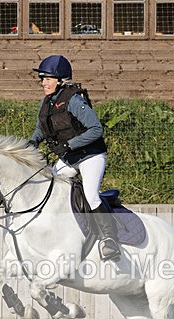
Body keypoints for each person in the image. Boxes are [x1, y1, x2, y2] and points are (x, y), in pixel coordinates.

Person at [28, 55, 121, 262]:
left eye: (48, 79)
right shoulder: (46, 102)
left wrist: (70, 144)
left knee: (90, 195)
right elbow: (40, 130)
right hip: (70, 157)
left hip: (91, 156)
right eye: (42, 79)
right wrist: (32, 143)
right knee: (49, 188)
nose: (43, 83)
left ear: (60, 80)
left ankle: (109, 239)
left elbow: (96, 129)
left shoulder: (74, 99)